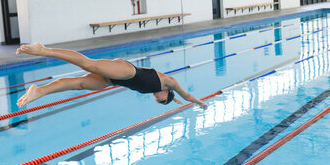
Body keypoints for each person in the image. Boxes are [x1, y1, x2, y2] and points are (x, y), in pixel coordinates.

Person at [15, 43, 207, 109]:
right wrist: (201, 103)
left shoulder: (160, 90)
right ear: (167, 92)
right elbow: (186, 95)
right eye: (162, 100)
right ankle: (43, 50)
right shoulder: (169, 82)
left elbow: (172, 98)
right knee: (89, 64)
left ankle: (40, 91)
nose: (157, 100)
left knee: (80, 84)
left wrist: (172, 101)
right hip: (127, 71)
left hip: (115, 80)